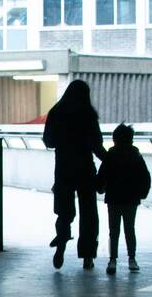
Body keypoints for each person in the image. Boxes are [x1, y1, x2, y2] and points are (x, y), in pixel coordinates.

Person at [42, 80, 106, 270]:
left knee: (64, 210)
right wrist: (112, 159)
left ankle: (61, 241)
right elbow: (97, 145)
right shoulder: (88, 114)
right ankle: (87, 256)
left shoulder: (57, 112)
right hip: (86, 169)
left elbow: (48, 141)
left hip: (63, 169)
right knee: (89, 213)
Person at [95, 124, 151, 275]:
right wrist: (142, 193)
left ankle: (112, 260)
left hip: (113, 197)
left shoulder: (110, 156)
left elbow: (102, 175)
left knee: (114, 231)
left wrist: (100, 188)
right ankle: (132, 259)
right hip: (131, 198)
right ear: (131, 139)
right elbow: (145, 177)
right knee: (129, 229)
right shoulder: (136, 156)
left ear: (114, 140)